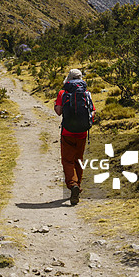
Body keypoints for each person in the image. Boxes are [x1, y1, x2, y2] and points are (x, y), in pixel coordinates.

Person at [54, 69, 95, 205]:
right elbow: (92, 112)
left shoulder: (63, 93)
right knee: (78, 160)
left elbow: (59, 111)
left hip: (67, 132)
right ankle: (78, 185)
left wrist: (56, 105)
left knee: (67, 160)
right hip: (82, 133)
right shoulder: (86, 93)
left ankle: (73, 185)